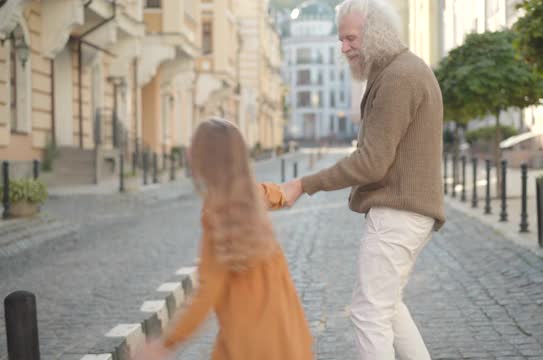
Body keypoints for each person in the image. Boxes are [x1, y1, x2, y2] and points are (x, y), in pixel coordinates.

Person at [280, 0, 445, 359]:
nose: (344, 48)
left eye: (350, 38)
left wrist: (302, 184)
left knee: (369, 313)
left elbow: (372, 162)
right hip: (405, 212)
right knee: (388, 307)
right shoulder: (395, 71)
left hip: (398, 214)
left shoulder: (399, 76)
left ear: (375, 33)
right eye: (340, 40)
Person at [134, 118, 313, 360]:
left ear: (204, 163)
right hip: (289, 338)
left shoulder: (217, 217)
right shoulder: (251, 200)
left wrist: (166, 343)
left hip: (246, 346)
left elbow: (207, 294)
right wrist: (286, 192)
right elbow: (269, 193)